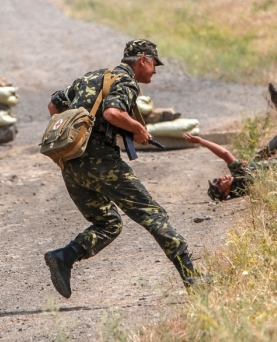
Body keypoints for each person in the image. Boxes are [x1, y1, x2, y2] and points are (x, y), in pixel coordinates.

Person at [44, 39, 206, 298]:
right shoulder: (125, 80)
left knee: (108, 223)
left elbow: (54, 106)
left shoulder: (90, 77)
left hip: (70, 164)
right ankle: (192, 279)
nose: (155, 70)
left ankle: (64, 257)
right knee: (153, 215)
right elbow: (112, 113)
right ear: (143, 60)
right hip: (101, 162)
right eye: (154, 64)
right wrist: (139, 129)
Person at [182, 132, 277, 201]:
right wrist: (201, 141)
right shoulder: (239, 180)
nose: (220, 179)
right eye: (219, 185)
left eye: (215, 180)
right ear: (226, 193)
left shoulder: (238, 189)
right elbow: (225, 154)